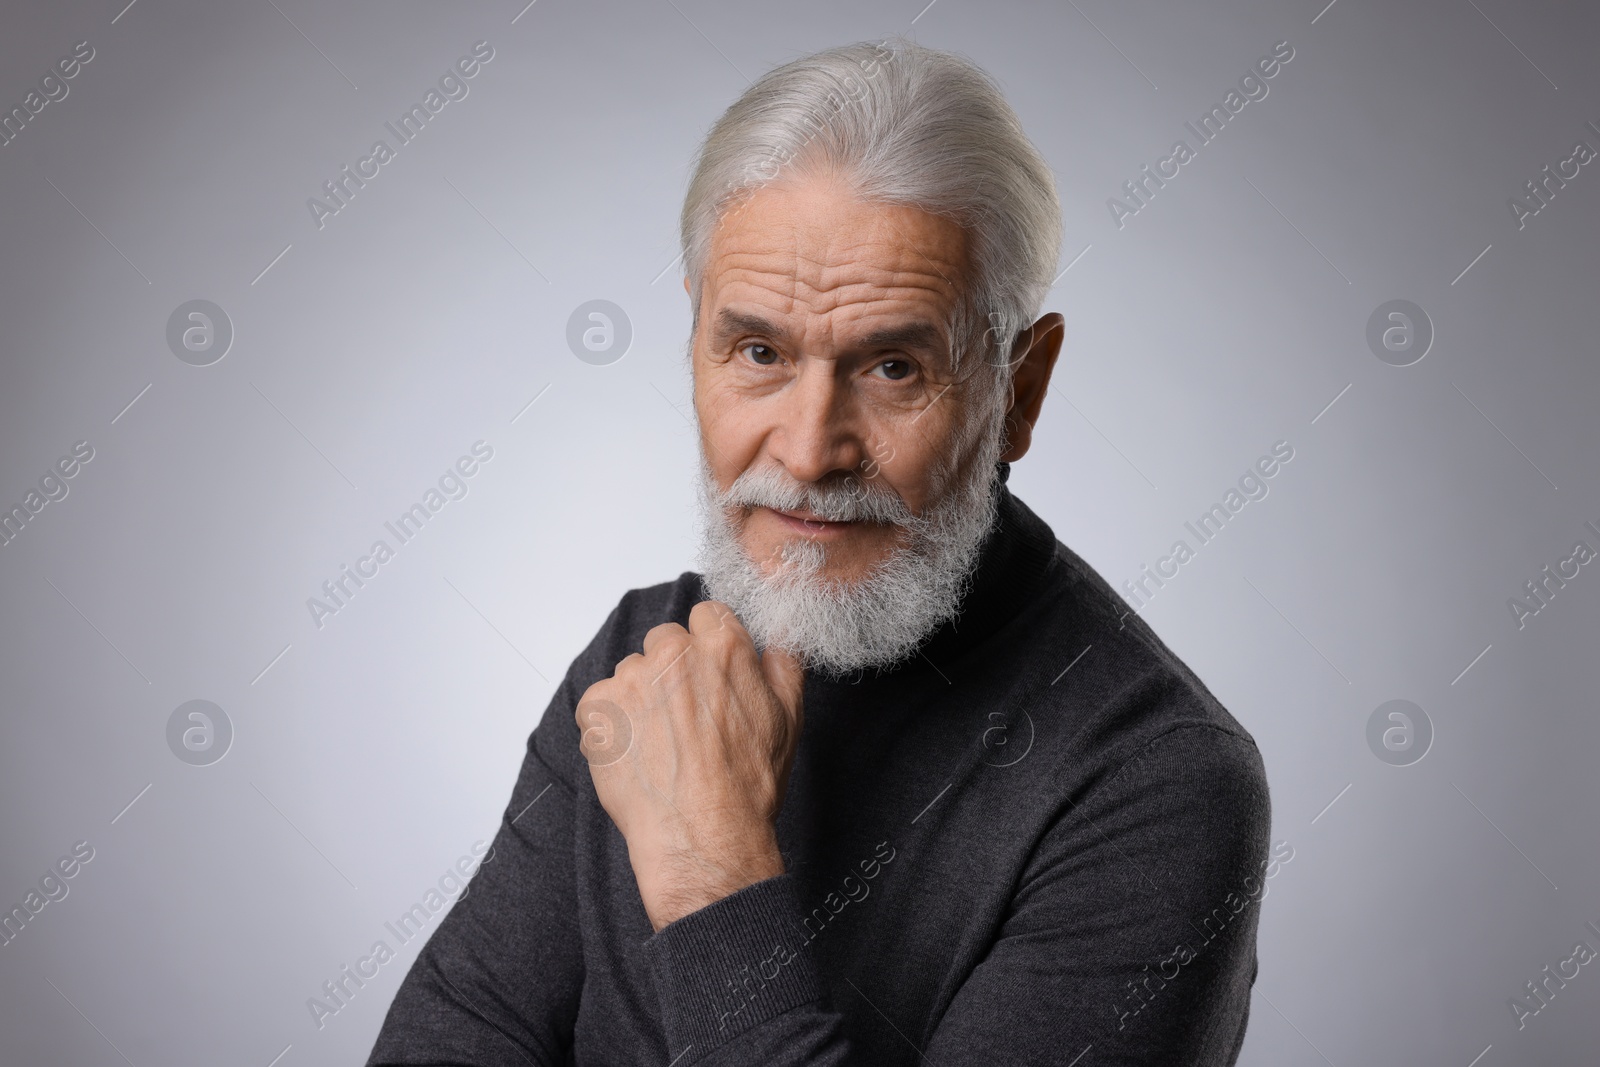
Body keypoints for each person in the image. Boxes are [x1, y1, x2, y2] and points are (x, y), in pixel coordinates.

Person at [367, 36, 1271, 1067]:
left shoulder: (1159, 786)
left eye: (892, 366)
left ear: (1017, 390)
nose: (806, 451)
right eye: (758, 351)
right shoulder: (645, 654)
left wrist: (709, 870)